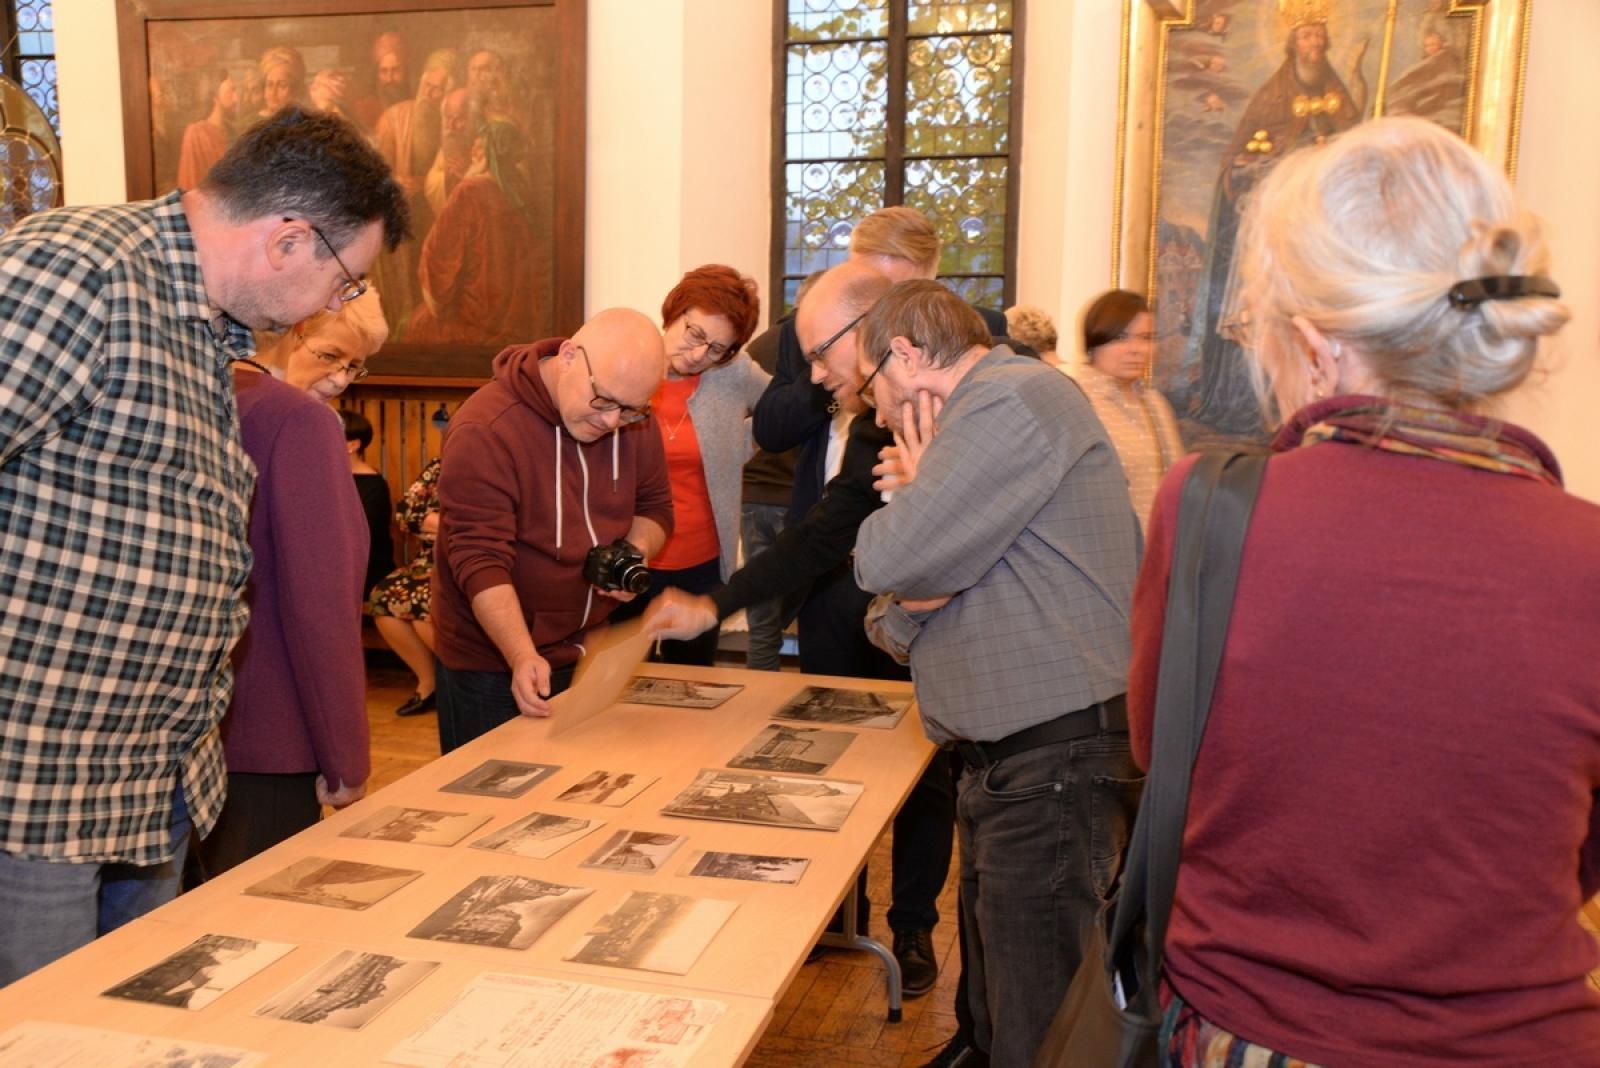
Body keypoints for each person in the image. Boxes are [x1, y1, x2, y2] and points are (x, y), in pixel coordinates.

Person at [1130, 116, 1599, 1065]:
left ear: (1317, 344)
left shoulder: (1213, 508)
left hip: (1247, 1034)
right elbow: (1579, 851)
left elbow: (1164, 758)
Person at [0, 106, 407, 984]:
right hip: (39, 787)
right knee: (49, 1038)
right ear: (289, 240)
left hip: (155, 776)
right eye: (346, 282)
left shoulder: (208, 326)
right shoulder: (84, 272)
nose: (337, 304)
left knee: (133, 1026)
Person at [852, 279, 1143, 1067]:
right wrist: (919, 565)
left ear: (907, 356)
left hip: (1053, 757)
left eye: (873, 386)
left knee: (1038, 1022)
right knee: (995, 1001)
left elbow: (882, 559)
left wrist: (914, 505)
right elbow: (894, 610)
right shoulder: (994, 417)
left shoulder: (1009, 399)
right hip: (1015, 762)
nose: (877, 413)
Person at [647, 261, 952, 1002]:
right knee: (835, 770)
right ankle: (839, 915)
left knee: (925, 778)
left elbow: (848, 533)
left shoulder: (935, 413)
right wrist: (714, 604)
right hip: (834, 608)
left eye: (820, 356)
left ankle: (910, 926)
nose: (811, 375)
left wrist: (713, 603)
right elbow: (816, 538)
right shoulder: (873, 413)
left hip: (922, 625)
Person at [202, 292, 388, 876]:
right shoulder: (299, 421)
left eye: (355, 366)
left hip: (190, 727)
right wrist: (345, 754)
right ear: (292, 327)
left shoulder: (204, 392)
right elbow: (321, 606)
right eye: (331, 355)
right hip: (273, 728)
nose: (339, 380)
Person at [430, 308, 671, 753]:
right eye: (604, 401)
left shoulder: (631, 417)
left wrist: (633, 553)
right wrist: (521, 654)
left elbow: (655, 507)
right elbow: (480, 561)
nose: (613, 422)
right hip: (493, 663)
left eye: (631, 410)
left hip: (586, 652)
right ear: (568, 356)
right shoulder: (485, 429)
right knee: (490, 802)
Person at [1184, 7, 1360, 435]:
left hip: (1320, 238)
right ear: (1292, 43)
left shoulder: (1340, 95)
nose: (1313, 45)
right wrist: (1265, 165)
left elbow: (1356, 160)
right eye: (1306, 38)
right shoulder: (1272, 95)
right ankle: (1251, 402)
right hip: (1274, 232)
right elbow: (1237, 163)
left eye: (1319, 37)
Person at [606, 266, 765, 665]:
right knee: (617, 683)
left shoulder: (735, 373)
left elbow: (781, 413)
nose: (698, 355)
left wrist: (738, 445)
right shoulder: (622, 365)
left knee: (692, 691)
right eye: (695, 334)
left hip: (701, 564)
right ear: (675, 312)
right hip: (627, 556)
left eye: (716, 349)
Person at [406, 120, 547, 347]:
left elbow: (438, 254)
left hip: (474, 320)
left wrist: (438, 302)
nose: (473, 150)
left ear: (493, 153)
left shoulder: (469, 190)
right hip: (516, 320)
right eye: (474, 144)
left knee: (420, 325)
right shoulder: (520, 193)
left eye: (481, 147)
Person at [1073, 289, 1185, 532]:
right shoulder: (1075, 400)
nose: (1136, 349)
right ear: (1094, 342)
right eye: (1121, 338)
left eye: (1145, 337)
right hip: (1104, 552)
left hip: (1154, 552)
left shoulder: (1155, 403)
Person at [368, 457, 443, 717]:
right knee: (383, 596)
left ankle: (458, 681)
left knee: (423, 600)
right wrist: (442, 525)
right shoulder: (438, 467)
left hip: (468, 560)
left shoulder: (498, 461)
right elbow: (405, 512)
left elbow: (481, 523)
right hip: (429, 562)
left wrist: (441, 526)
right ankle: (428, 682)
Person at [339, 409, 396, 601]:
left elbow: (360, 534)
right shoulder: (321, 478)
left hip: (365, 569)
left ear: (353, 445)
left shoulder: (373, 485)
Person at [175, 70, 237, 190]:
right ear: (215, 97)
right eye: (231, 91)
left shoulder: (232, 132)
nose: (236, 98)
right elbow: (189, 183)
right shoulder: (195, 133)